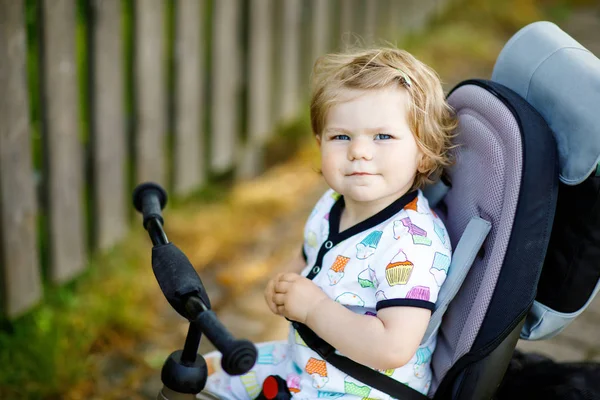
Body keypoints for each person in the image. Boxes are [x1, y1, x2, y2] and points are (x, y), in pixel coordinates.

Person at [199, 47, 458, 400]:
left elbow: (392, 347)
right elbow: (311, 250)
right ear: (320, 144)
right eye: (341, 137)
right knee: (207, 370)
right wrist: (287, 282)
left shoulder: (410, 245)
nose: (359, 151)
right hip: (306, 363)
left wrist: (314, 308)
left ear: (424, 152)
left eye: (382, 136)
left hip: (362, 389)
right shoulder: (332, 203)